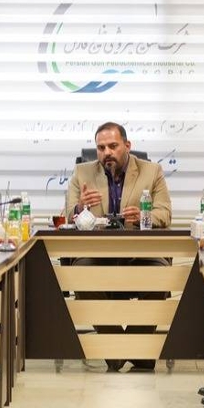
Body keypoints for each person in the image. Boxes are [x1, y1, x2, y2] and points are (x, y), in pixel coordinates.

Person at [64, 122, 172, 372]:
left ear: (127, 145)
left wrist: (143, 216)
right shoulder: (82, 172)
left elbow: (165, 213)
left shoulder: (151, 171)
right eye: (101, 148)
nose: (107, 153)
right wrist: (79, 208)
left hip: (139, 254)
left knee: (161, 273)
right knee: (79, 272)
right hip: (98, 254)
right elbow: (68, 215)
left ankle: (129, 347)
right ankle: (118, 348)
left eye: (113, 146)